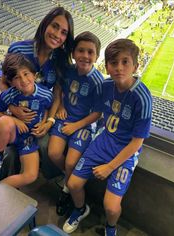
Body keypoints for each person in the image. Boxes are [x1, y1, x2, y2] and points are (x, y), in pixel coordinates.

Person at [62, 39, 152, 236]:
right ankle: (80, 209)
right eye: (113, 63)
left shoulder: (142, 97)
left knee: (110, 207)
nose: (119, 67)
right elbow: (98, 112)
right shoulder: (106, 85)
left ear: (135, 66)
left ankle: (111, 229)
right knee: (73, 184)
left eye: (125, 62)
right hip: (103, 141)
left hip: (126, 151)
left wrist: (110, 166)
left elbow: (137, 142)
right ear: (107, 66)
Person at [0, 7, 74, 180]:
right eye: (55, 26)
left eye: (63, 32)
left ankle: (57, 182)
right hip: (18, 115)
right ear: (45, 24)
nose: (57, 34)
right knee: (10, 155)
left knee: (47, 145)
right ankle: (6, 191)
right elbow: (4, 82)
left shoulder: (61, 60)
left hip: (43, 115)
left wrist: (49, 121)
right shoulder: (18, 50)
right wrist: (14, 109)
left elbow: (57, 95)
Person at [48, 31, 104, 216]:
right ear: (73, 53)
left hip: (84, 125)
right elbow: (59, 89)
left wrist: (76, 126)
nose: (85, 56)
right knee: (54, 153)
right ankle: (68, 181)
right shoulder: (68, 70)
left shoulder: (97, 81)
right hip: (65, 118)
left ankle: (67, 190)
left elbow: (97, 113)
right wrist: (61, 105)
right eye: (81, 50)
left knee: (72, 162)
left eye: (90, 52)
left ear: (96, 56)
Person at [0, 53, 53, 188]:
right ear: (11, 82)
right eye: (17, 77)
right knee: (3, 122)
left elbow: (48, 108)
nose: (23, 80)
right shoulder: (8, 95)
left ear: (34, 75)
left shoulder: (45, 94)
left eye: (26, 74)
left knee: (31, 175)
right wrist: (15, 120)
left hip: (29, 139)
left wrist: (45, 121)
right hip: (14, 133)